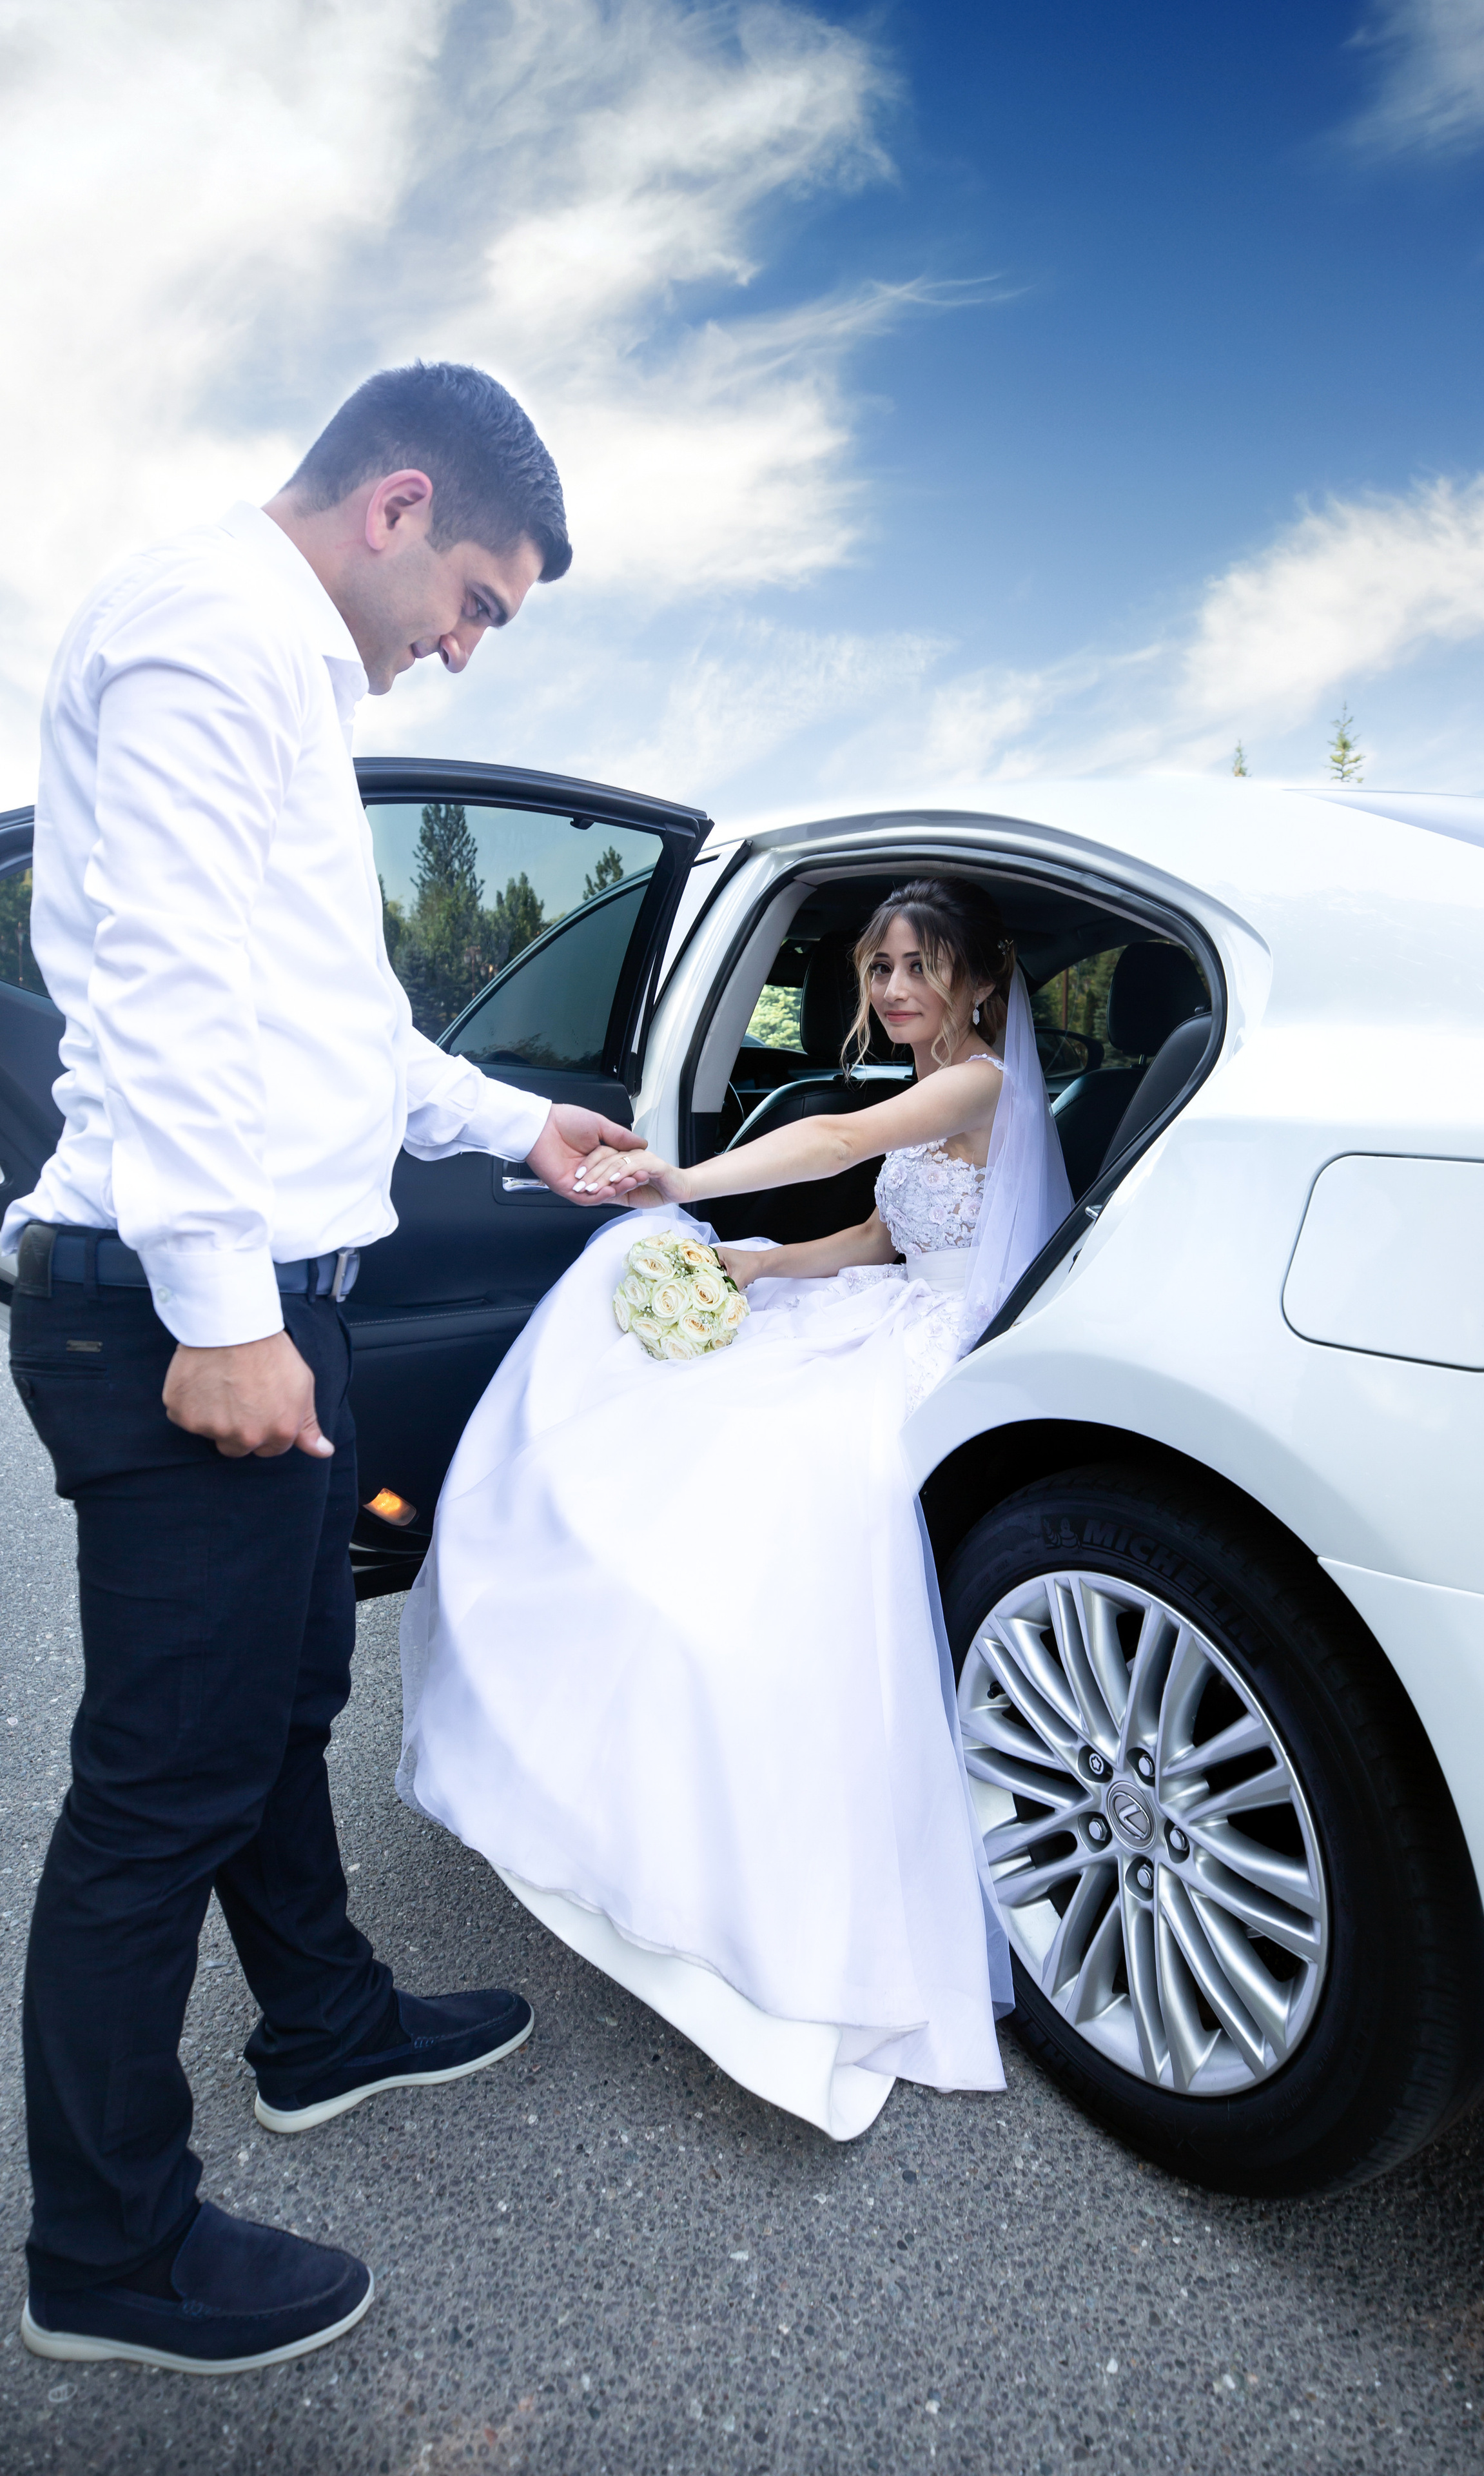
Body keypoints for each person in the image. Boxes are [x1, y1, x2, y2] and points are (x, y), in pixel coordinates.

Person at [3, 363, 639, 2374]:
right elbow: (172, 988)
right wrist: (222, 1314)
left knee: (282, 1708)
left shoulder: (280, 665)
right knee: (159, 1791)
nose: (464, 648)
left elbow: (337, 1034)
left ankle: (326, 2026)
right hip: (184, 1313)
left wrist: (526, 1130)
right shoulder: (211, 629)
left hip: (281, 1296)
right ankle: (108, 2253)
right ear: (399, 505)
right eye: (477, 601)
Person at [398, 878, 1073, 2139]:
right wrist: (762, 1263)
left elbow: (832, 1146)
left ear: (984, 981)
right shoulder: (935, 1087)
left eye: (921, 967)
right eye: (879, 968)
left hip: (941, 1342)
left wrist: (680, 1178)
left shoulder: (978, 1083)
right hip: (889, 1301)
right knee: (667, 1395)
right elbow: (878, 1234)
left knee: (756, 1465)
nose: (894, 990)